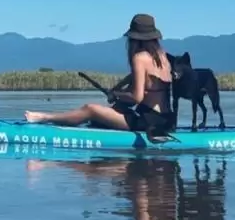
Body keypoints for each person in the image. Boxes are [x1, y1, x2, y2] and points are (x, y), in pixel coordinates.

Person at [24, 13, 175, 137]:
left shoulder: (140, 58)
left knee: (90, 109)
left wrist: (116, 93)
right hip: (166, 120)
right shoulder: (164, 57)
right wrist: (118, 89)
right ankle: (91, 123)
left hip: (148, 122)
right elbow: (140, 78)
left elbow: (137, 97)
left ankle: (43, 117)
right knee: (117, 107)